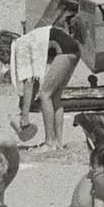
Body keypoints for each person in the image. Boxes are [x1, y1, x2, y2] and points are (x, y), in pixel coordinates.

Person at [38, 10, 84, 148]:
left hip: (65, 50)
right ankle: (58, 142)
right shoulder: (36, 37)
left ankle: (49, 142)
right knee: (55, 96)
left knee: (45, 95)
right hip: (74, 50)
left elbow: (31, 82)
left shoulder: (23, 47)